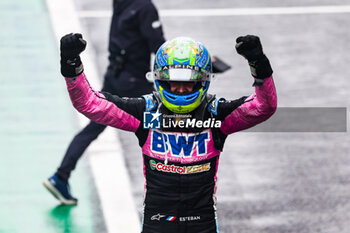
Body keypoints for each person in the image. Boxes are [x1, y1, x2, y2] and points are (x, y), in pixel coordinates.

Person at [54, 32, 277, 232]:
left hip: (202, 224)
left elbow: (263, 107)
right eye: (172, 83)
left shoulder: (217, 113)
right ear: (160, 80)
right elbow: (90, 104)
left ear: (203, 82)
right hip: (158, 224)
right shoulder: (146, 111)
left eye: (188, 84)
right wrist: (71, 64)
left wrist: (259, 64)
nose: (180, 90)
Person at [43, 0, 165, 205]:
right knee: (161, 127)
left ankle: (61, 176)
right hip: (135, 82)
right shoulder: (145, 7)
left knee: (93, 127)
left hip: (114, 76)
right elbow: (159, 48)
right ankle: (163, 187)